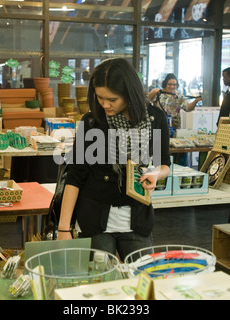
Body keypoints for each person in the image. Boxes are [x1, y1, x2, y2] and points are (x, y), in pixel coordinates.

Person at [56, 58, 171, 261]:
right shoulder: (93, 123)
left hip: (137, 218)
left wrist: (155, 174)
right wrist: (63, 228)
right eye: (100, 97)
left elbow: (164, 165)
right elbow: (75, 176)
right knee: (99, 285)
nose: (105, 104)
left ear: (129, 94)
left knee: (141, 282)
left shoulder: (155, 119)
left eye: (112, 99)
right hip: (95, 219)